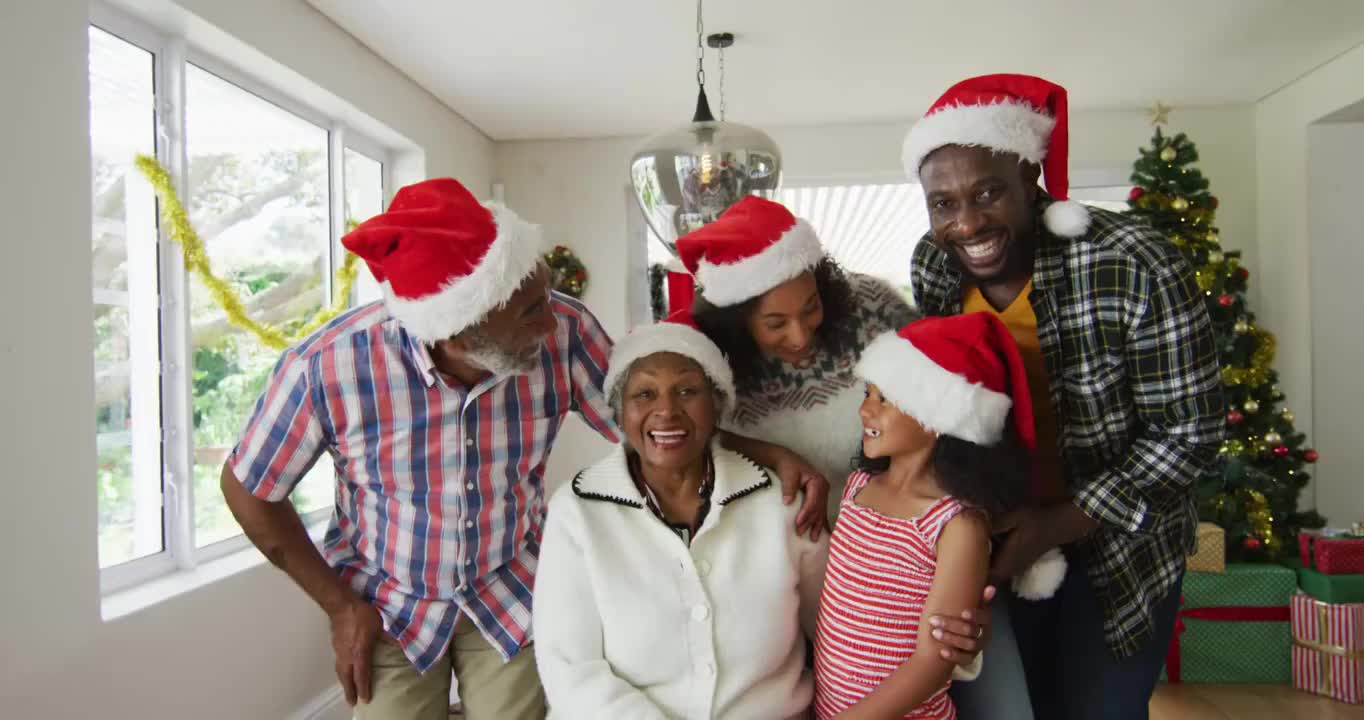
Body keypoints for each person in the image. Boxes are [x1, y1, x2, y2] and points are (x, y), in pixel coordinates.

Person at [218, 178, 829, 720]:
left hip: (507, 589)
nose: (551, 321)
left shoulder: (563, 329)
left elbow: (655, 420)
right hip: (387, 603)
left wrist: (766, 455)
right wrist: (338, 605)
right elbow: (248, 489)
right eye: (531, 310)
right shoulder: (326, 367)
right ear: (462, 330)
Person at [903, 74, 1226, 719]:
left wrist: (1056, 521)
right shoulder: (934, 265)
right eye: (943, 203)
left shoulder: (1134, 262)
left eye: (988, 192)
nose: (966, 223)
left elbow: (1189, 434)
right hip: (996, 540)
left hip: (1123, 552)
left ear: (1030, 177)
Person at [679, 194, 1021, 718]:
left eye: (811, 306)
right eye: (775, 323)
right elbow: (679, 437)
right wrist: (775, 453)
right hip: (811, 579)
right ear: (734, 322)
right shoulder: (709, 359)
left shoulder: (874, 310)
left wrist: (971, 595)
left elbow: (945, 376)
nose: (800, 334)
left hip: (917, 579)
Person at [533, 313, 828, 718]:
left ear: (717, 405)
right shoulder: (577, 512)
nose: (666, 411)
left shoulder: (781, 503)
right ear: (620, 414)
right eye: (644, 395)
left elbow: (836, 632)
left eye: (687, 391)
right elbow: (569, 669)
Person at [813, 313, 1063, 720]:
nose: (865, 411)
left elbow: (936, 661)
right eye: (868, 393)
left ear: (937, 418)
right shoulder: (857, 488)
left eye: (884, 400)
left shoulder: (956, 524)